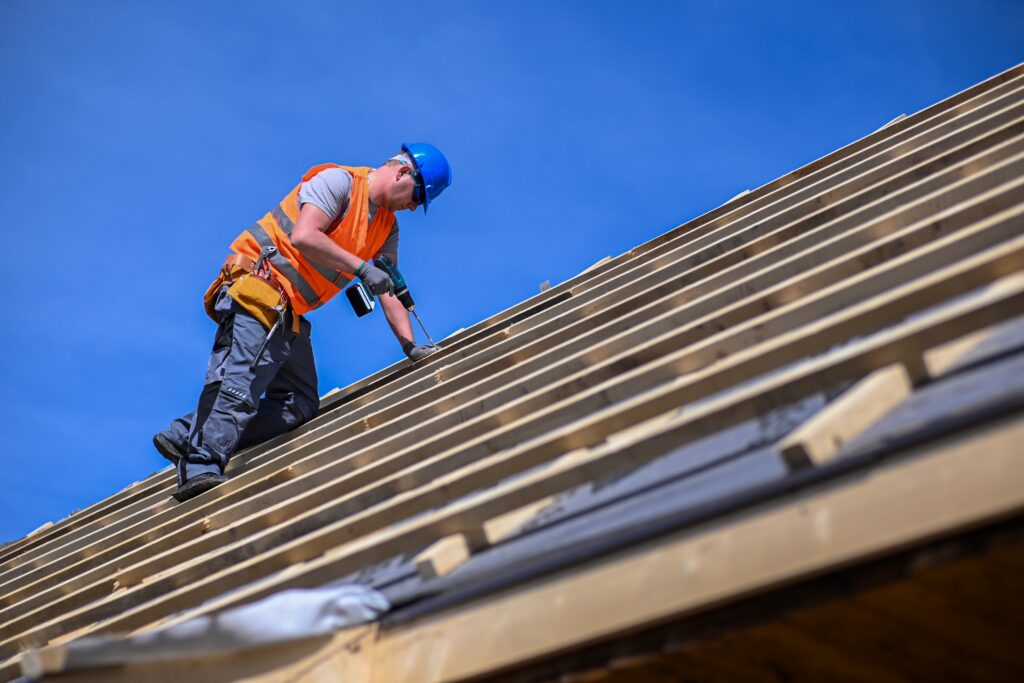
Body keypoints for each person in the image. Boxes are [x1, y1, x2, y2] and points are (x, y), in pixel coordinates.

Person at [154, 143, 452, 502]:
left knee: (299, 403)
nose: (415, 205)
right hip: (259, 288)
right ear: (404, 173)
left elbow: (387, 285)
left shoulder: (387, 229)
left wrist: (410, 346)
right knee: (240, 384)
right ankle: (200, 464)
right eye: (419, 195)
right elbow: (304, 235)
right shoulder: (339, 183)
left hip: (287, 312)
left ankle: (187, 433)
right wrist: (360, 268)